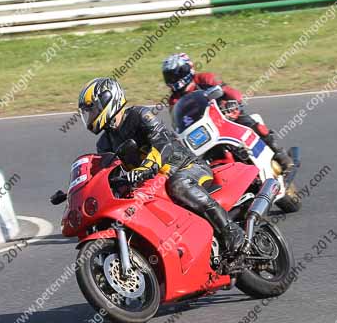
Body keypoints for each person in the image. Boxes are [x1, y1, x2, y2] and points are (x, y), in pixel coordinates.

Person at [78, 77, 245, 255]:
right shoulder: (104, 143)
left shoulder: (139, 115)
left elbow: (162, 142)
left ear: (108, 100)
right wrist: (83, 189)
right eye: (89, 112)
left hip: (184, 167)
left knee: (178, 185)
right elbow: (108, 171)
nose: (91, 115)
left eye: (93, 109)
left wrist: (149, 165)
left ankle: (230, 229)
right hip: (151, 182)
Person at [162, 53, 294, 171]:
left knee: (252, 125)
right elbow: (178, 121)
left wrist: (232, 103)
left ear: (186, 69)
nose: (173, 79)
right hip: (203, 130)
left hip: (226, 116)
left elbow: (231, 93)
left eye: (175, 74)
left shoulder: (205, 79)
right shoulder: (174, 99)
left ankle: (279, 154)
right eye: (169, 76)